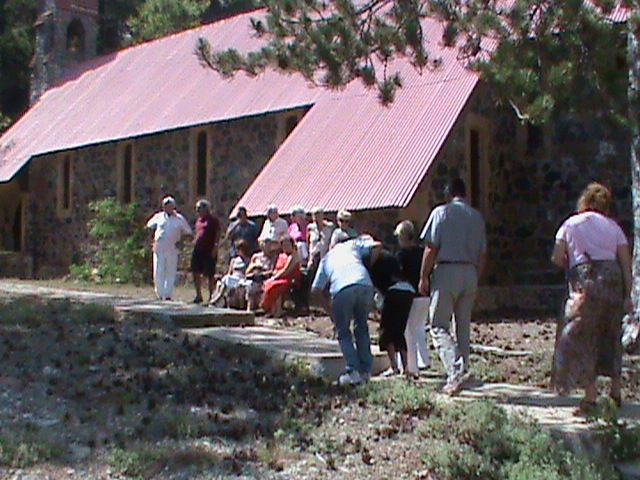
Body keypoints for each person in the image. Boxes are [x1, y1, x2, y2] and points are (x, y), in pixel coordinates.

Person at [551, 182, 632, 413]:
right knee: (610, 333)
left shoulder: (570, 223)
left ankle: (590, 396)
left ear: (584, 201)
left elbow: (557, 257)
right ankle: (615, 391)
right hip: (612, 281)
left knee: (582, 334)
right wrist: (627, 295)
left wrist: (571, 261)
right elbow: (625, 264)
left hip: (585, 281)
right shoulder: (614, 227)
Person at [419, 178, 486, 395]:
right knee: (462, 325)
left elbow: (431, 247)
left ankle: (455, 372)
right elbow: (483, 252)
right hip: (470, 270)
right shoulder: (477, 217)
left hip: (447, 269)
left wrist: (424, 276)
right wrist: (476, 275)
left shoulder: (441, 212)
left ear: (448, 194)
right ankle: (464, 367)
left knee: (438, 325)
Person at [311, 237, 381, 386]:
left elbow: (315, 290)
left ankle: (353, 371)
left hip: (342, 289)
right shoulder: (353, 245)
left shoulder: (326, 259)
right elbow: (377, 246)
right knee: (361, 327)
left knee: (343, 332)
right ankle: (365, 370)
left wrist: (330, 311)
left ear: (332, 244)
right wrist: (368, 267)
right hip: (365, 284)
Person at [367, 247, 414, 376]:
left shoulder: (372, 262)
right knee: (399, 331)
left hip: (393, 292)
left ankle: (393, 367)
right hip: (408, 290)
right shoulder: (389, 257)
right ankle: (406, 368)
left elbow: (375, 285)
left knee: (386, 332)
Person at [395, 220, 431, 377]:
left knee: (407, 330)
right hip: (425, 294)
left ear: (402, 236)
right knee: (419, 328)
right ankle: (424, 360)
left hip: (409, 295)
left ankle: (412, 366)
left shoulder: (401, 255)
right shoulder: (422, 252)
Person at [146, 196, 193, 301]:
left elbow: (188, 233)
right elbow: (148, 227)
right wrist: (152, 241)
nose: (167, 207)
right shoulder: (158, 217)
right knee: (159, 270)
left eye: (169, 205)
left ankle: (167, 295)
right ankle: (159, 293)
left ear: (173, 206)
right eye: (165, 205)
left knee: (170, 271)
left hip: (172, 248)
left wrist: (181, 242)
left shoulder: (179, 218)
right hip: (159, 248)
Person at [261, 236, 302, 317]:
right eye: (284, 245)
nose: (286, 247)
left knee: (274, 286)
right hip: (280, 277)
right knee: (269, 284)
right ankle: (272, 310)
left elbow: (286, 270)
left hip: (290, 279)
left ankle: (278, 311)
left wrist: (274, 278)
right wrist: (273, 275)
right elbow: (277, 269)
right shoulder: (281, 255)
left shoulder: (293, 256)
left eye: (288, 245)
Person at [191, 200, 220, 304]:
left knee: (210, 274)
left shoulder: (213, 220)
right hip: (198, 249)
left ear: (206, 209)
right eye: (197, 209)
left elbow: (217, 234)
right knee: (195, 271)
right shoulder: (199, 221)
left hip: (209, 249)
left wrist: (215, 247)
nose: (197, 211)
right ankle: (198, 295)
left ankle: (211, 295)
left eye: (199, 209)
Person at [209, 239, 253, 309]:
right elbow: (229, 272)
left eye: (239, 249)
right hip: (233, 278)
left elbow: (247, 272)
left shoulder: (248, 260)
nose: (238, 251)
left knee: (227, 279)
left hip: (241, 279)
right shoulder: (234, 260)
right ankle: (218, 298)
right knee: (224, 280)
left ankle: (217, 298)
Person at [244, 238, 280, 311]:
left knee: (265, 286)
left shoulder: (273, 257)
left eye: (268, 245)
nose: (266, 247)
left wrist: (263, 272)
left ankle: (265, 309)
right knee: (250, 285)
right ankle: (249, 309)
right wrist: (254, 266)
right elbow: (247, 271)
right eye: (264, 244)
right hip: (254, 277)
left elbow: (273, 271)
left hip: (265, 277)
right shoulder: (256, 257)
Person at [306, 207, 335, 280]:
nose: (316, 218)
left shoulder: (329, 227)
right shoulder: (310, 228)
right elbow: (308, 243)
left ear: (322, 215)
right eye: (314, 215)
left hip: (325, 256)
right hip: (314, 256)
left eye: (318, 215)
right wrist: (310, 259)